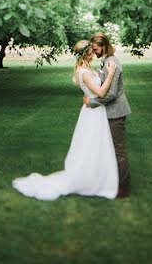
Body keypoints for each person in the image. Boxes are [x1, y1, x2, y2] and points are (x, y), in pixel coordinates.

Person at [12, 40, 119, 201]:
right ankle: (88, 180)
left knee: (97, 144)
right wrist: (111, 73)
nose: (93, 56)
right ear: (84, 55)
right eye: (90, 53)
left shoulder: (87, 69)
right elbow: (101, 93)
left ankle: (97, 175)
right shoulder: (83, 72)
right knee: (91, 144)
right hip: (93, 113)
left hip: (95, 110)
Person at [82, 32, 132, 199]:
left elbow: (111, 95)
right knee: (109, 149)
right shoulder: (105, 62)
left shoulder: (113, 63)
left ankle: (123, 188)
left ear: (103, 46)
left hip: (116, 113)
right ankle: (110, 181)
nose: (94, 52)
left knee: (118, 151)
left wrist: (92, 102)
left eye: (96, 49)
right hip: (108, 113)